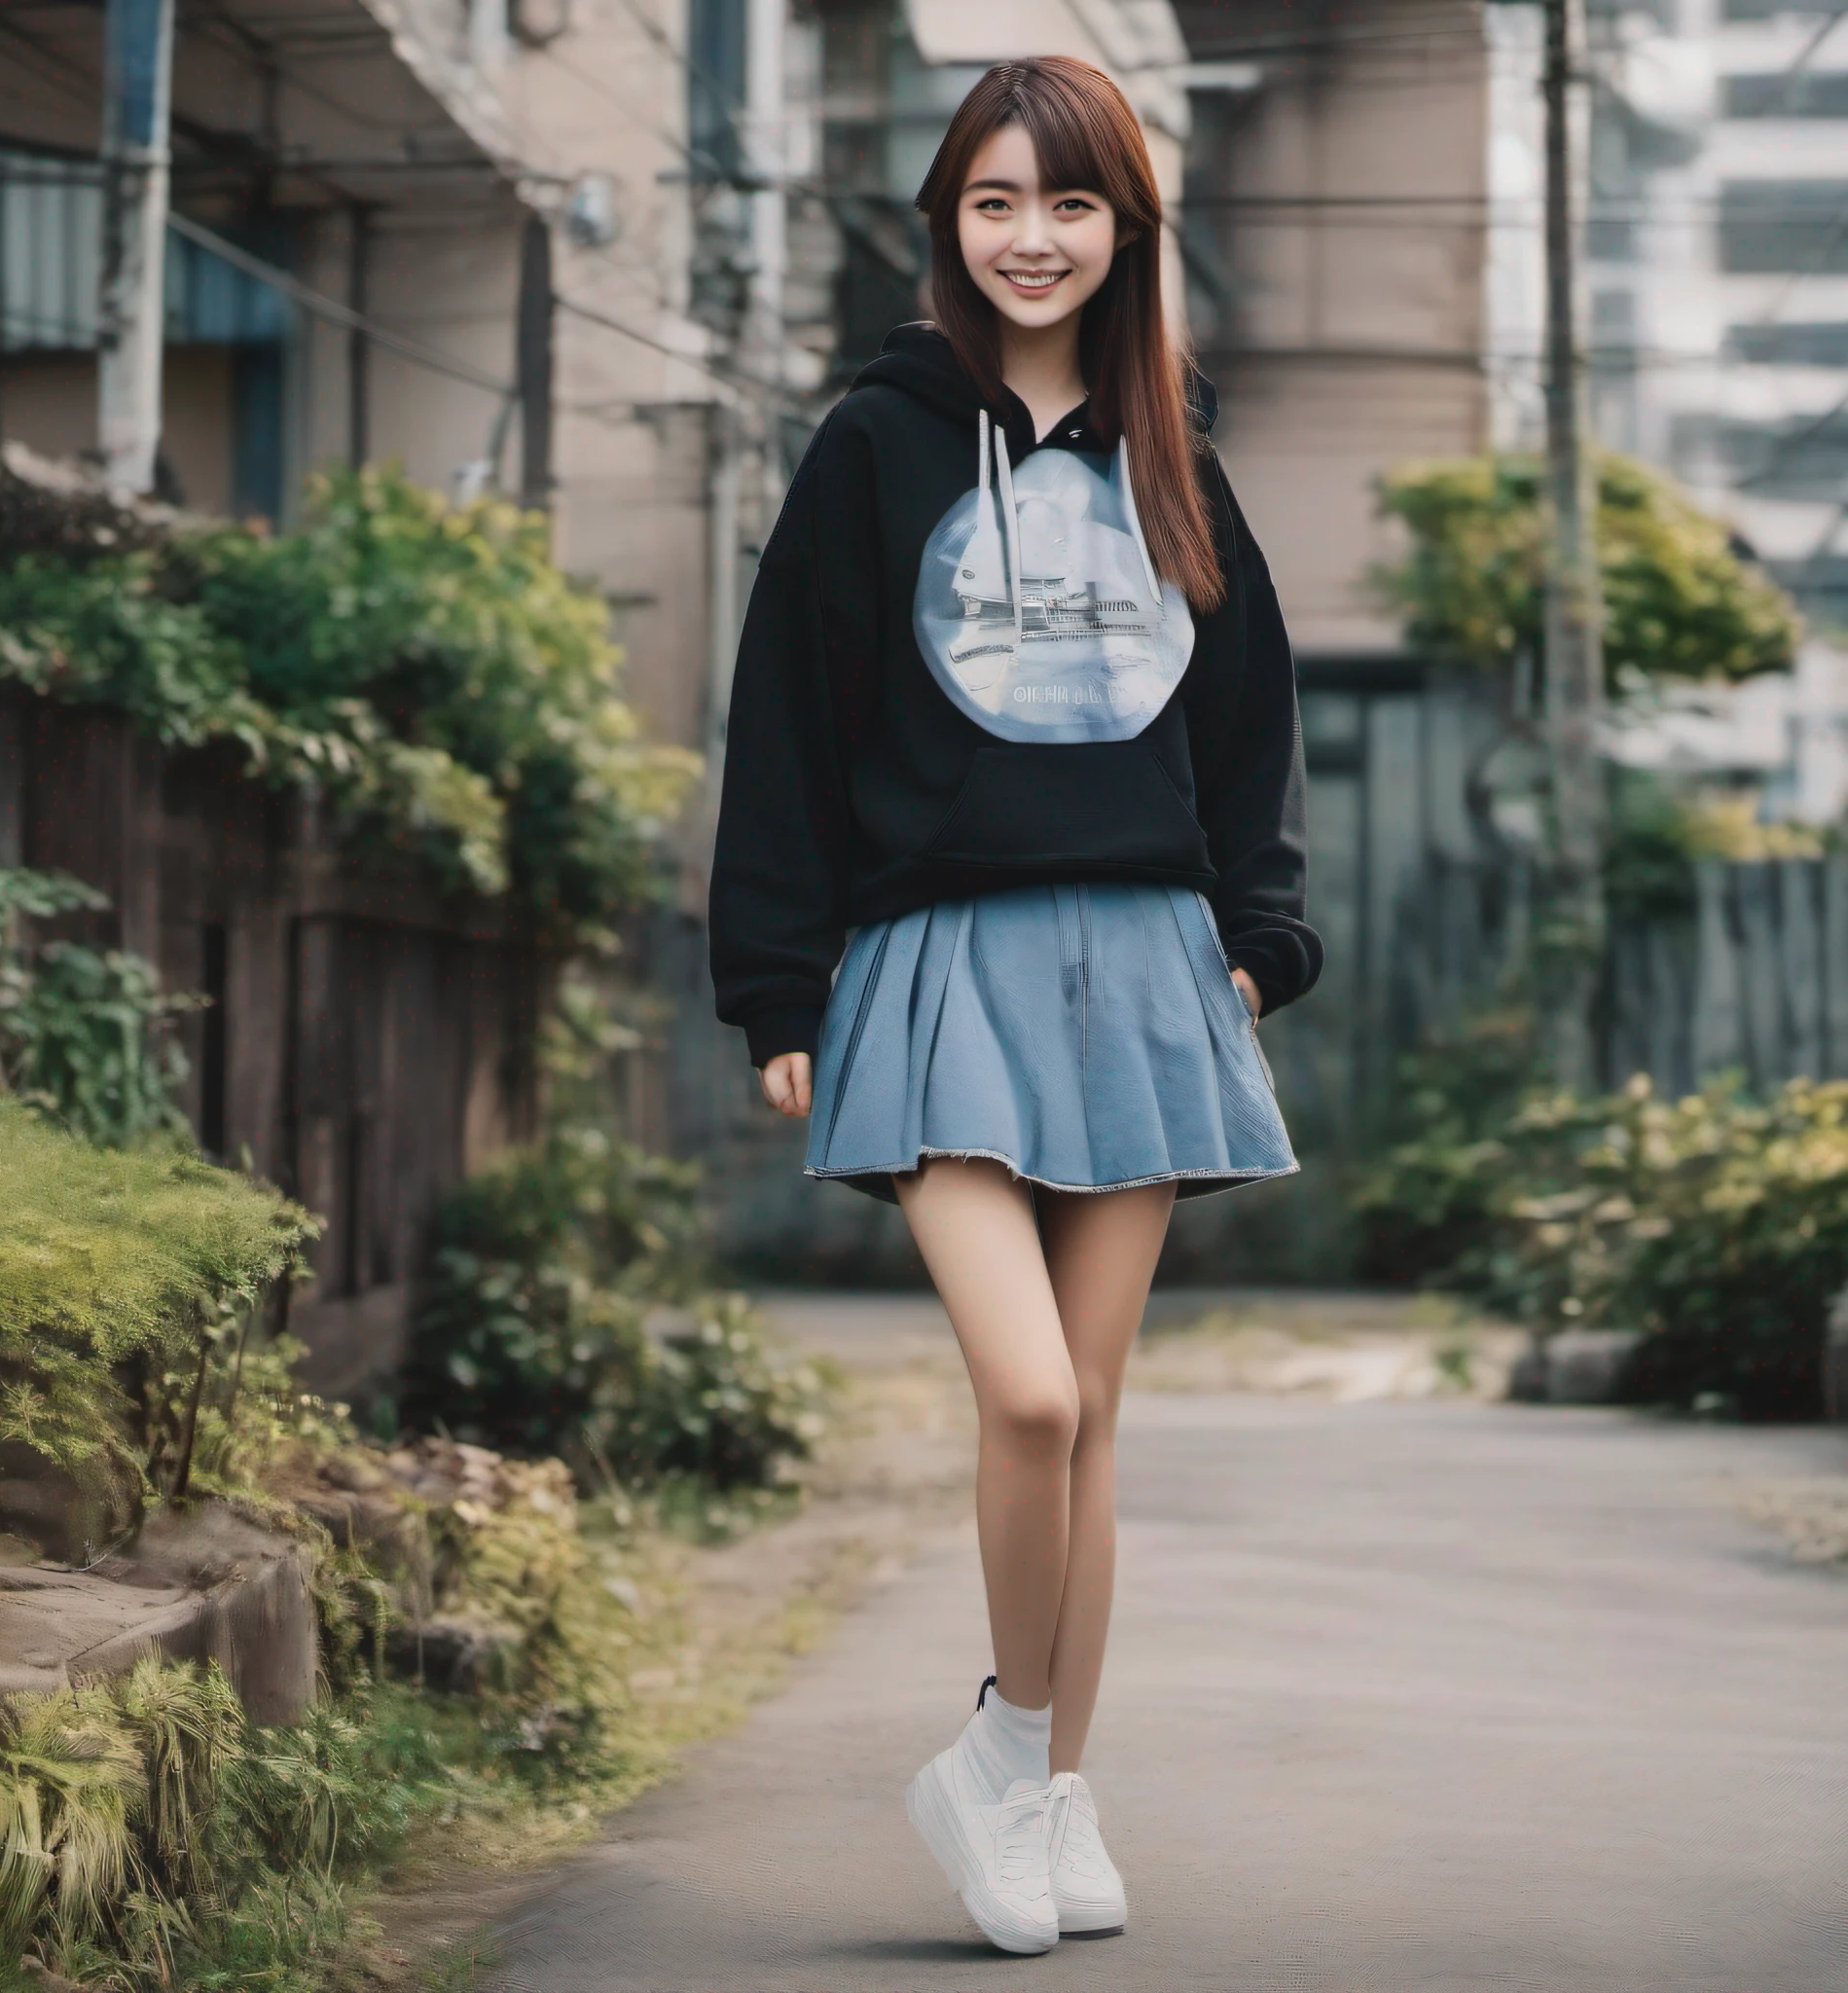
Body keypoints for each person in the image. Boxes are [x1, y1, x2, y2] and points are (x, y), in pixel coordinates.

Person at [707, 54, 1322, 1956]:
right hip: (934, 965)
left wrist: (1258, 934)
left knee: (1102, 1413)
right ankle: (1001, 1743)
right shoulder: (874, 445)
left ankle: (1049, 1788)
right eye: (994, 201)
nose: (1031, 237)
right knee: (1031, 1394)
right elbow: (785, 727)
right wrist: (774, 981)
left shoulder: (1173, 454)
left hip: (1142, 962)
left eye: (1067, 204)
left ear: (1125, 224)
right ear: (945, 224)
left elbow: (1246, 731)